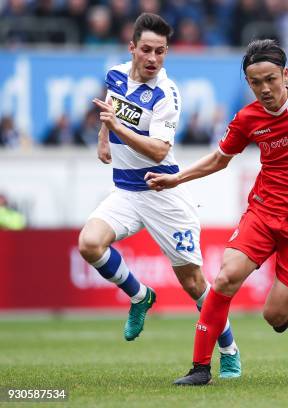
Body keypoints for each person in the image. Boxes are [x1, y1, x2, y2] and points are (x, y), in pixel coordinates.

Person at [145, 39, 288, 385]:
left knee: (274, 315)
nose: (264, 89)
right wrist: (177, 178)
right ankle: (201, 368)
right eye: (255, 83)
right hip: (264, 212)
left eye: (270, 80)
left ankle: (284, 310)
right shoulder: (247, 119)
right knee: (224, 278)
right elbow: (220, 159)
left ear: (285, 74)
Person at [79, 12, 241, 378]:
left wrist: (117, 127)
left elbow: (157, 150)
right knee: (89, 244)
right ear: (132, 48)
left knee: (194, 284)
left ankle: (229, 349)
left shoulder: (166, 94)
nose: (153, 59)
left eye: (161, 52)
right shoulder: (116, 75)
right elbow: (110, 107)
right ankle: (140, 296)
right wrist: (104, 139)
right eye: (147, 50)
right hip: (126, 190)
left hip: (162, 191)